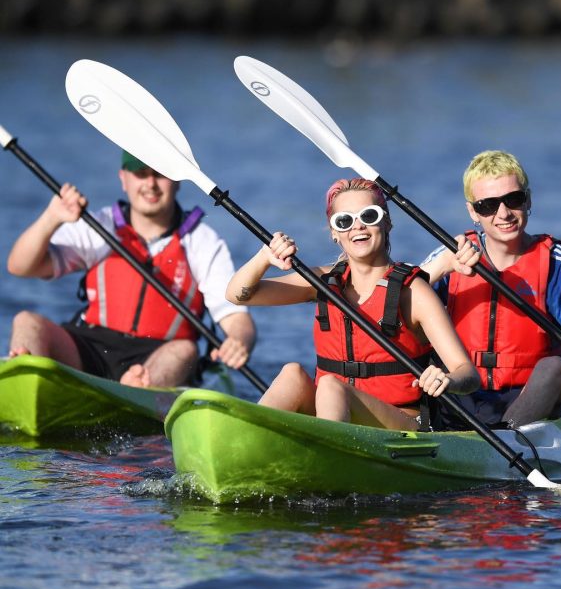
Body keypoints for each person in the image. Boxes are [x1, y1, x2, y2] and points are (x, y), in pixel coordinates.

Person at [226, 177, 479, 430]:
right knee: (293, 373)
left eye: (369, 216)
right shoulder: (323, 282)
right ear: (335, 233)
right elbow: (237, 295)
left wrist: (447, 379)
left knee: (331, 386)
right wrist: (263, 258)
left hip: (403, 424)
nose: (358, 227)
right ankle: (246, 441)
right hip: (336, 414)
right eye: (344, 221)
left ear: (387, 222)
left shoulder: (414, 292)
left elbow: (467, 373)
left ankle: (325, 457)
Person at [421, 150, 561, 430]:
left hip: (532, 399)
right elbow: (392, 303)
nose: (503, 213)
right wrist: (442, 266)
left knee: (555, 367)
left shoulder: (559, 264)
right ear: (473, 212)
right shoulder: (450, 256)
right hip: (461, 395)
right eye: (488, 205)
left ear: (528, 200)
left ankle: (508, 437)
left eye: (513, 200)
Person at [6, 151, 256, 388]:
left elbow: (236, 317)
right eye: (140, 173)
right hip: (91, 346)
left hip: (160, 354)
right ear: (123, 179)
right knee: (26, 321)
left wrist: (239, 341)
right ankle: (25, 382)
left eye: (160, 173)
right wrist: (51, 218)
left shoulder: (201, 241)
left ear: (178, 180)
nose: (150, 184)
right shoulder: (100, 225)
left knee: (185, 350)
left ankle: (136, 390)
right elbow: (21, 267)